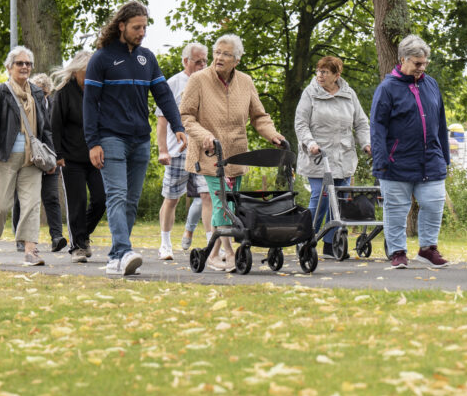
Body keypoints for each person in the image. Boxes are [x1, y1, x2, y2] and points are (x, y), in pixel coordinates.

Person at [84, 1, 186, 277]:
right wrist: (93, 142)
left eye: (144, 27)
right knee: (116, 195)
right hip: (110, 138)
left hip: (140, 139)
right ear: (121, 26)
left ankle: (117, 257)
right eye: (136, 27)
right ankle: (122, 252)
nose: (141, 32)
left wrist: (178, 126)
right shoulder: (101, 59)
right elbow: (90, 104)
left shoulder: (147, 59)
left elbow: (164, 95)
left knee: (131, 200)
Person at [179, 33, 286, 272]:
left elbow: (259, 117)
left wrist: (273, 135)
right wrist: (204, 135)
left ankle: (215, 252)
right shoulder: (198, 80)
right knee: (220, 201)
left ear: (236, 60)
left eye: (225, 54)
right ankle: (225, 252)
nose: (219, 57)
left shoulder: (246, 82)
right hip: (208, 154)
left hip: (236, 153)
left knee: (231, 203)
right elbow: (186, 116)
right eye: (217, 52)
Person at [370, 35, 451, 270]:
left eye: (425, 63)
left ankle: (428, 249)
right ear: (403, 60)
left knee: (434, 203)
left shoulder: (431, 84)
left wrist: (444, 156)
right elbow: (377, 126)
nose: (422, 67)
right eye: (417, 63)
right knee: (396, 209)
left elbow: (440, 121)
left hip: (431, 159)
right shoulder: (387, 89)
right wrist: (381, 159)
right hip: (396, 161)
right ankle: (397, 252)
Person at [0, 46, 54, 266]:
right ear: (9, 67)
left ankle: (30, 250)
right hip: (4, 156)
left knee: (31, 204)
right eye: (19, 63)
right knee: (1, 205)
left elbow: (45, 128)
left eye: (28, 63)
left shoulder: (37, 93)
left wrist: (51, 155)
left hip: (32, 159)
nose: (24, 67)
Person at [294, 56, 371, 258]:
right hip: (319, 157)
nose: (320, 75)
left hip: (344, 156)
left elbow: (361, 123)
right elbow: (301, 123)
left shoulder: (348, 94)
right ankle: (306, 239)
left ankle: (330, 245)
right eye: (318, 71)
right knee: (321, 196)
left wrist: (366, 144)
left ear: (337, 75)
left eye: (325, 72)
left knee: (340, 200)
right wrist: (310, 143)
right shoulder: (310, 93)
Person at [155, 42, 213, 260]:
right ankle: (165, 243)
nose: (202, 65)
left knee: (208, 196)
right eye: (198, 61)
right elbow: (162, 120)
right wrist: (163, 150)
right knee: (172, 198)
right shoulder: (173, 83)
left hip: (204, 151)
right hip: (178, 151)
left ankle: (211, 244)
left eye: (205, 61)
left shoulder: (209, 82)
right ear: (185, 61)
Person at [52, 51, 106, 263]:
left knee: (102, 199)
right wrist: (58, 154)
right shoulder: (64, 92)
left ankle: (82, 235)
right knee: (77, 202)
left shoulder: (98, 91)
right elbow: (54, 125)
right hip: (70, 158)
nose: (91, 75)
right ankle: (78, 246)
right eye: (87, 71)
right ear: (76, 72)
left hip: (95, 156)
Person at [12, 72, 66, 253]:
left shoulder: (54, 107)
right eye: (36, 91)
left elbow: (57, 132)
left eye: (43, 93)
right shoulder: (23, 104)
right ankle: (21, 238)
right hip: (28, 157)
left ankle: (56, 237)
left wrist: (57, 158)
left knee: (51, 198)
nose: (39, 96)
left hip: (50, 157)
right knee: (23, 200)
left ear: (48, 93)